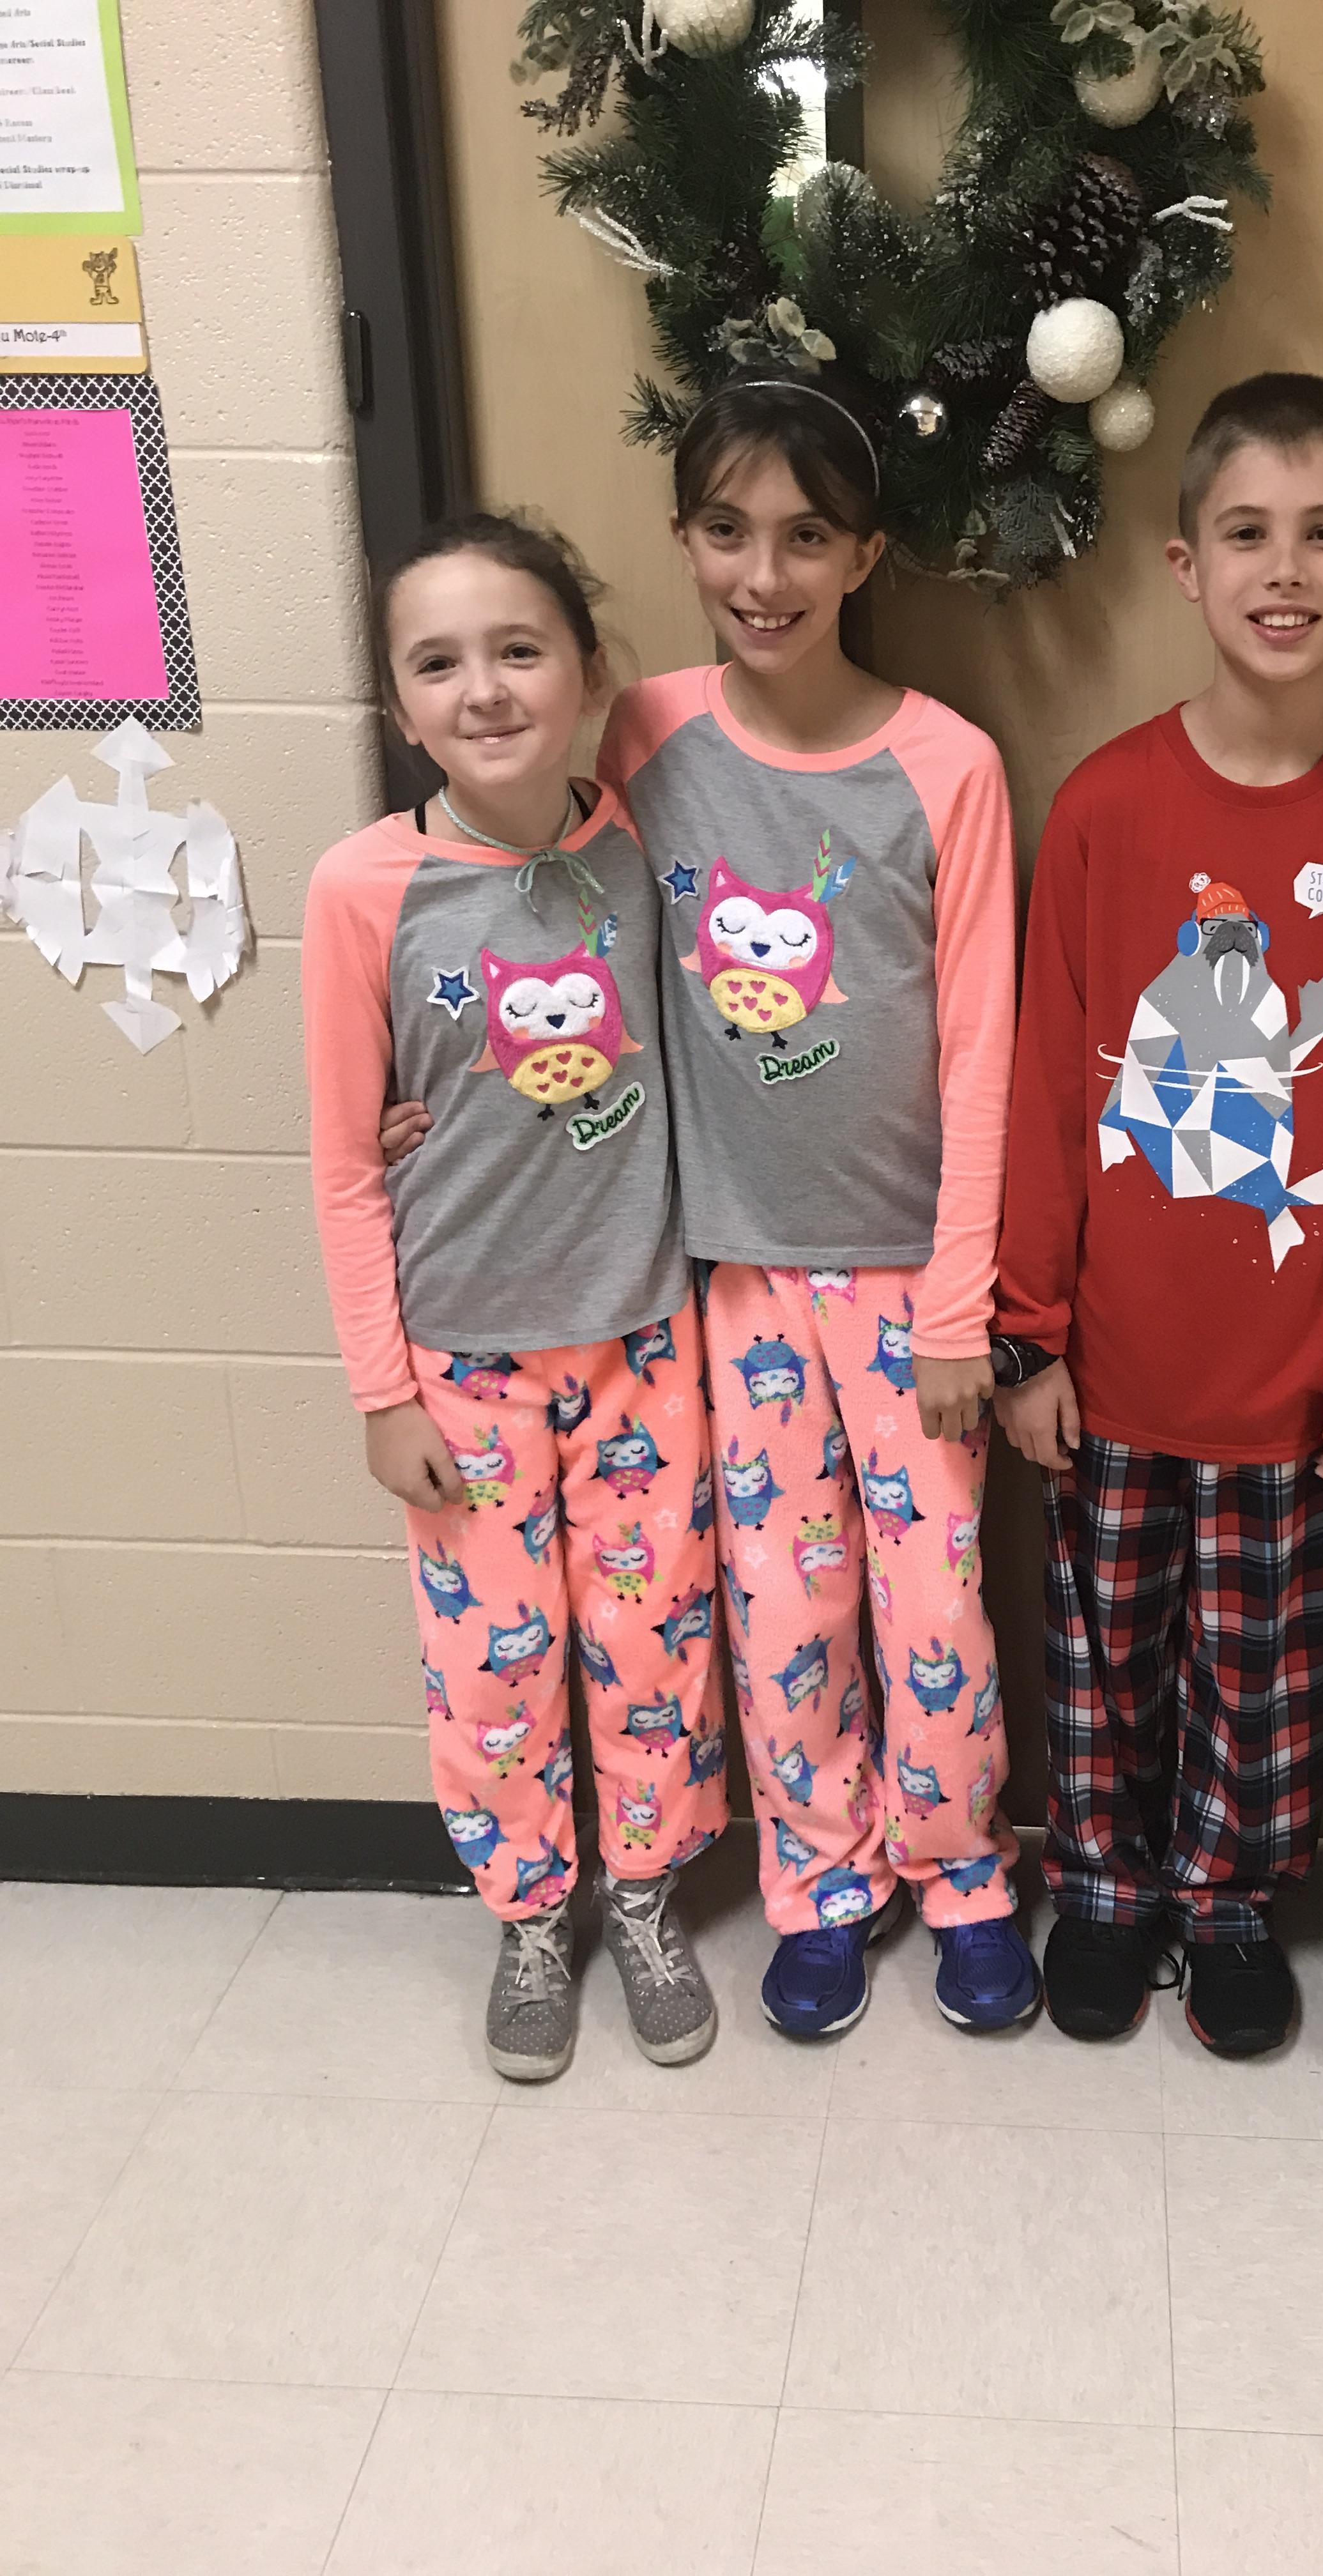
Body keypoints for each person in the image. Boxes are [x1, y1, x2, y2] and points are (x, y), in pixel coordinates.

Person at [993, 372, 1323, 2057]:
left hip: (1300, 1387)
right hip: (1110, 1373)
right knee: (1103, 1657)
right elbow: (1050, 1090)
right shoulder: (1110, 807)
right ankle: (1107, 1889)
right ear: (1187, 566)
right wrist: (1025, 1338)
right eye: (1250, 533)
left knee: (1268, 1681)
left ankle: (1227, 1903)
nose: (1287, 568)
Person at [599, 372, 1035, 2040]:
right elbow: (549, 930)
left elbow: (983, 1052)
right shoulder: (642, 735)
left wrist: (963, 1303)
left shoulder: (950, 766)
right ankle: (822, 1883)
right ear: (684, 538)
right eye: (728, 531)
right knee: (786, 1601)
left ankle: (963, 1872)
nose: (762, 573)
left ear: (864, 555)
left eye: (803, 537)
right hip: (730, 1279)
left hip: (913, 1281)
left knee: (936, 1604)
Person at [303, 512, 724, 2083]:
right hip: (462, 1366)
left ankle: (645, 1896)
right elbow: (346, 1166)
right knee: (494, 1672)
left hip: (642, 1342)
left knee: (651, 1644)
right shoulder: (363, 889)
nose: (483, 689)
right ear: (400, 707)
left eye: (520, 649)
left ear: (588, 673)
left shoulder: (642, 849)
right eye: (439, 663)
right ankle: (532, 1915)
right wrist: (382, 1392)